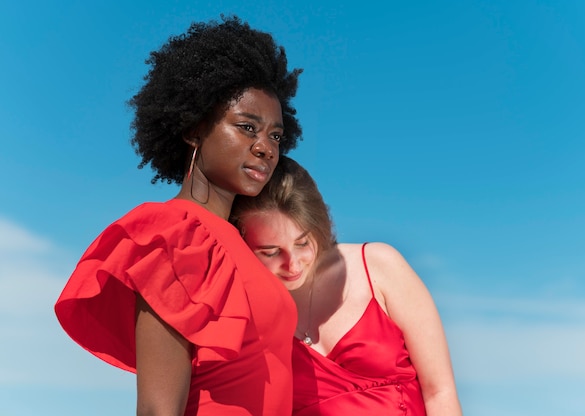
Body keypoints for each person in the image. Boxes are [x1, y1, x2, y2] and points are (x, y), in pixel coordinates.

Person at [54, 16, 303, 416]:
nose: (265, 148)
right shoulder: (177, 234)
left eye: (274, 135)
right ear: (193, 129)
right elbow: (157, 408)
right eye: (246, 127)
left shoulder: (241, 245)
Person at [229, 156, 463, 416]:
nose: (292, 265)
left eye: (302, 243)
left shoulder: (378, 266)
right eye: (271, 252)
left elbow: (440, 392)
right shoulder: (245, 313)